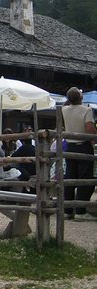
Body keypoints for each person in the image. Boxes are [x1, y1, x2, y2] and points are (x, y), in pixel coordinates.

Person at [62, 87, 96, 220]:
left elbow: (67, 105)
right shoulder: (87, 110)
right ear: (81, 98)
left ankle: (68, 209)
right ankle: (81, 210)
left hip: (69, 145)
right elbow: (89, 127)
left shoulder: (64, 110)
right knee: (85, 178)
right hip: (83, 145)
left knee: (70, 177)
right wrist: (94, 137)